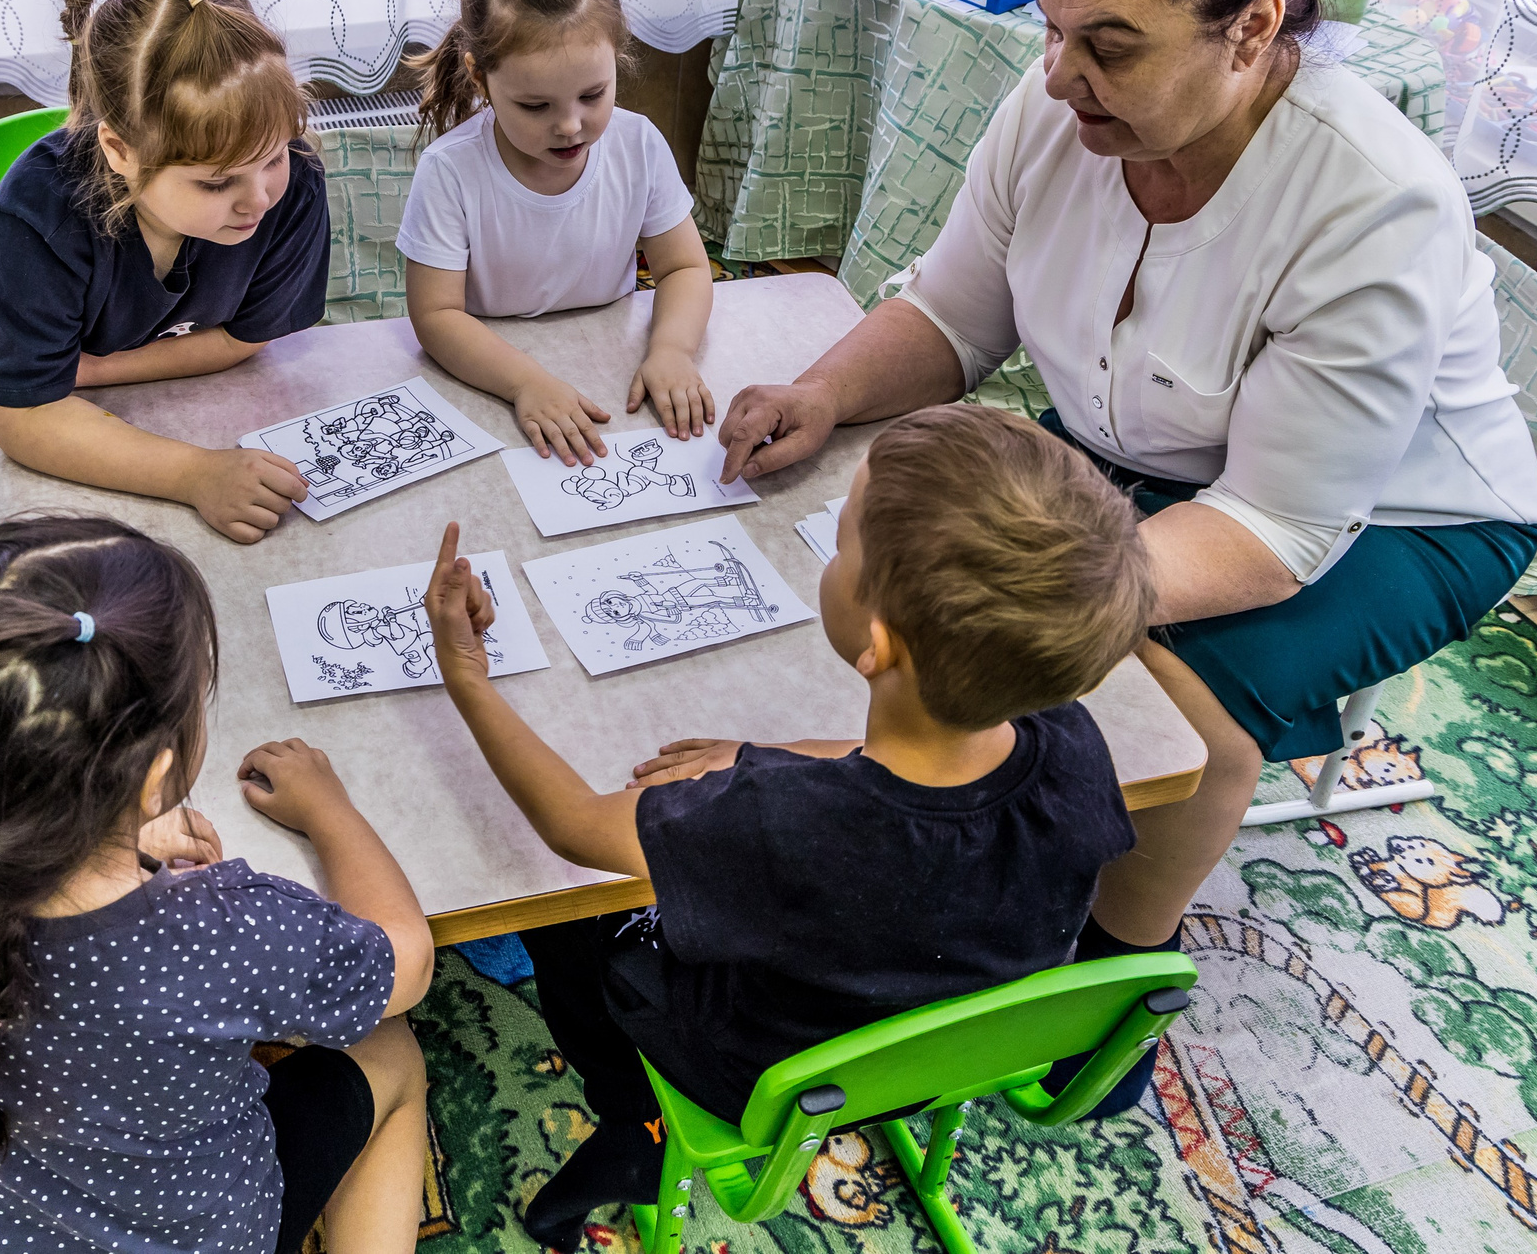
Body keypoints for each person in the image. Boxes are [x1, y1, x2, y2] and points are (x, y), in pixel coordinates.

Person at [710, 0, 1537, 984]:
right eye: (1053, 31)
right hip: (1151, 452)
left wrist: (1022, 596)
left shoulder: (1375, 201)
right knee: (962, 576)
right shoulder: (1057, 105)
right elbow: (954, 318)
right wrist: (824, 390)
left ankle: (1109, 980)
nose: (1059, 77)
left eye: (1109, 47)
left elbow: (1274, 527)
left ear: (1252, 29)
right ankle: (979, 859)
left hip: (1393, 516)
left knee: (1184, 717)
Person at [420, 404, 1155, 1244]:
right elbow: (917, 776)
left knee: (571, 904)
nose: (832, 552)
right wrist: (762, 753)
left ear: (876, 644)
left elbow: (575, 825)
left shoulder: (785, 820)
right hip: (936, 1052)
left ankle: (634, 1118)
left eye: (840, 542)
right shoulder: (1069, 737)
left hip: (751, 1065)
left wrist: (469, 674)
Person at [0, 515, 434, 1254]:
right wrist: (329, 809)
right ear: (156, 777)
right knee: (393, 1049)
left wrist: (107, 838)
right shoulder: (231, 930)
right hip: (207, 1239)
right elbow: (406, 964)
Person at [0, 0, 330, 543]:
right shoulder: (39, 210)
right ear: (120, 150)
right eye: (216, 182)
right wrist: (194, 473)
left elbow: (245, 339)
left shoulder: (293, 179)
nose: (259, 199)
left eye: (271, 157)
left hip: (105, 392)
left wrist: (80, 372)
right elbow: (22, 420)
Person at [397, 0, 716, 467]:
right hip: (488, 379)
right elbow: (436, 315)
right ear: (480, 78)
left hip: (610, 372)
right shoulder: (449, 171)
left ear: (616, 53)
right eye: (535, 106)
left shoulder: (638, 144)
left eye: (593, 94)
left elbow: (685, 268)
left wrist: (671, 350)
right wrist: (525, 382)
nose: (570, 126)